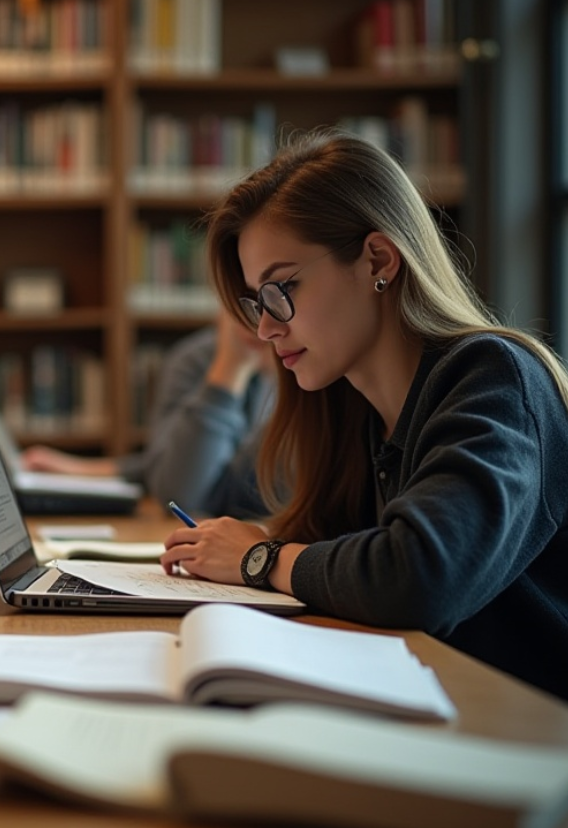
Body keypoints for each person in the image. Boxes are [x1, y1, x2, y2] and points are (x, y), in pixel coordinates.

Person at [160, 129, 568, 701]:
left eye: (282, 288)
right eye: (257, 301)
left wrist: (259, 559)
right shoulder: (347, 408)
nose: (265, 328)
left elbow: (421, 578)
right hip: (436, 708)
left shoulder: (495, 376)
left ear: (378, 259)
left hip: (527, 741)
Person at [20, 307, 275, 518]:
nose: (260, 324)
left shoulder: (305, 369)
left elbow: (187, 491)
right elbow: (179, 482)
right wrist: (229, 369)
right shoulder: (199, 358)